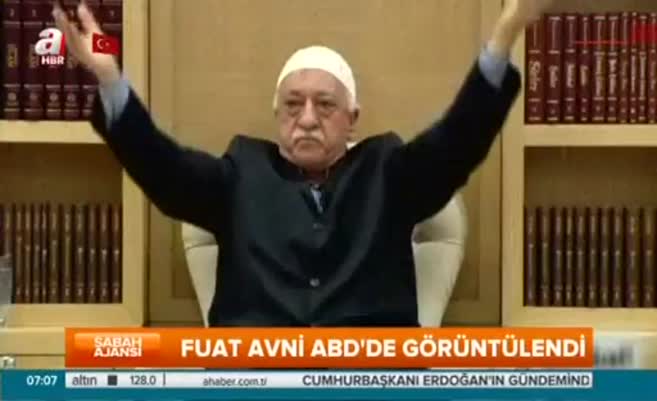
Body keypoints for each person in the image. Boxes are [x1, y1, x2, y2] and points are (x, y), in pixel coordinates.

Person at [53, 0, 553, 327]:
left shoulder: (389, 171)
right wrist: (110, 80)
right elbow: (164, 168)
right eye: (293, 106)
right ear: (277, 116)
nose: (308, 119)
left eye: (325, 105)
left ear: (352, 120)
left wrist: (504, 35)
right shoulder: (240, 173)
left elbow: (457, 141)